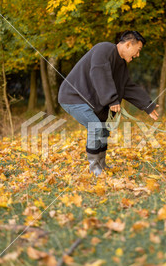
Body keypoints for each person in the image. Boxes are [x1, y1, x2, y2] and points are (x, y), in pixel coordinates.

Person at [58, 30, 159, 176]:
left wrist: (147, 105)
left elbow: (127, 86)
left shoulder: (121, 64)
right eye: (138, 50)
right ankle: (94, 170)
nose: (137, 55)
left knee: (104, 130)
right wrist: (111, 99)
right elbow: (99, 73)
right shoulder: (103, 49)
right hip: (73, 97)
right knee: (96, 127)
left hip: (90, 100)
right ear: (129, 44)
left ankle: (102, 165)